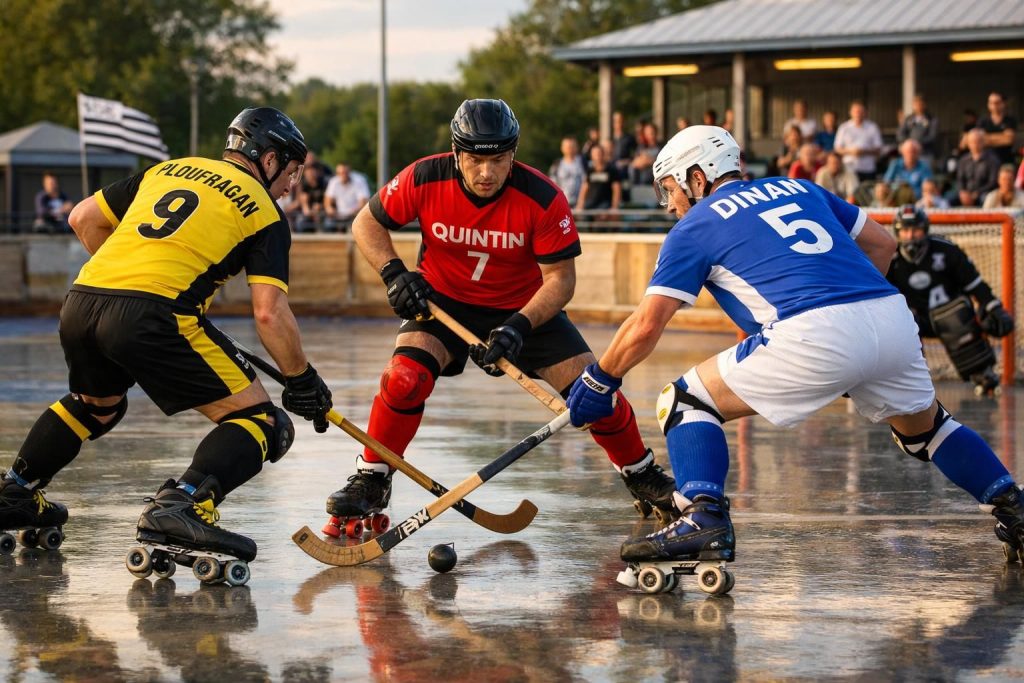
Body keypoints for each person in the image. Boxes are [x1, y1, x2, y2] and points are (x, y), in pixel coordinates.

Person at [566, 125, 1024, 581]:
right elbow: (883, 244)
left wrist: (601, 376)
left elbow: (647, 324)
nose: (670, 204)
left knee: (684, 401)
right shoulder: (800, 186)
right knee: (929, 429)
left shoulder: (695, 226)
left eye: (671, 189)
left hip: (813, 329)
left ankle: (703, 518)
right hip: (888, 312)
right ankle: (1014, 508)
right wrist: (857, 333)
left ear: (698, 178)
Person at [0, 107, 333, 572]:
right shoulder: (264, 211)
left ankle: (16, 491)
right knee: (263, 422)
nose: (291, 186)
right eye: (292, 173)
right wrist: (302, 379)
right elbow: (269, 312)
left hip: (82, 300)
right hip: (154, 314)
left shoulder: (168, 169)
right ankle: (182, 505)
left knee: (97, 405)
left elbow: (82, 218)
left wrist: (131, 281)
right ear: (270, 159)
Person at [324, 99, 678, 533]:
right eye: (475, 159)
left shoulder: (543, 197)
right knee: (403, 378)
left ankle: (640, 473)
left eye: (498, 159)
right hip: (443, 301)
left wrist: (518, 325)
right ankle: (373, 478)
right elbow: (366, 223)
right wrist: (394, 273)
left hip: (523, 310)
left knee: (595, 392)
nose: (487, 172)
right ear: (456, 154)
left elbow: (560, 281)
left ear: (513, 154)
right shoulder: (424, 176)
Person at [886, 204, 1014, 395]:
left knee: (959, 314)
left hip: (949, 316)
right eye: (905, 230)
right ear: (897, 232)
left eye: (916, 230)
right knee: (896, 320)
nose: (911, 236)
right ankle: (907, 379)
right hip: (912, 319)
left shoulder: (946, 250)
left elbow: (975, 284)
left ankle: (981, 372)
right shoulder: (888, 257)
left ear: (926, 230)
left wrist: (994, 307)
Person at [834, 101, 883, 180]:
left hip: (868, 169)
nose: (858, 114)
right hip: (849, 168)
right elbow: (837, 149)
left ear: (865, 112)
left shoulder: (873, 127)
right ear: (850, 112)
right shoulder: (844, 127)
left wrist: (864, 152)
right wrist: (851, 151)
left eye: (861, 111)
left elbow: (879, 149)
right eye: (856, 111)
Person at [957, 129, 1000, 207]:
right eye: (972, 141)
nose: (975, 144)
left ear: (983, 142)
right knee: (948, 200)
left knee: (986, 199)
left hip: (984, 193)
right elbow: (960, 179)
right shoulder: (963, 160)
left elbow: (993, 182)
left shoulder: (993, 160)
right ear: (968, 143)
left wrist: (976, 193)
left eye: (978, 141)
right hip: (966, 193)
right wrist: (962, 192)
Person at [324, 163, 371, 232]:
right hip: (338, 215)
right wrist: (329, 209)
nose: (343, 175)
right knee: (327, 225)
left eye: (345, 172)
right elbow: (327, 200)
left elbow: (363, 201)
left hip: (356, 215)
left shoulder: (359, 180)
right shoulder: (333, 181)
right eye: (340, 173)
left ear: (349, 172)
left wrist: (354, 211)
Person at [897, 95, 939, 165]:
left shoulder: (932, 120)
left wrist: (917, 143)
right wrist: (909, 144)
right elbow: (900, 134)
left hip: (925, 153)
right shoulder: (908, 119)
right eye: (916, 104)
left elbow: (932, 136)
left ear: (925, 105)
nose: (918, 106)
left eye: (920, 104)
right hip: (909, 154)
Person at [977, 91, 1017, 165]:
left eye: (997, 103)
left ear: (1003, 103)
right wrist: (1001, 137)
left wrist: (988, 138)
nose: (994, 105)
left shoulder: (1010, 120)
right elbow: (980, 140)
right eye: (991, 102)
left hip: (1006, 160)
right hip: (987, 162)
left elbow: (1009, 140)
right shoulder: (983, 121)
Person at [549, 137, 587, 208]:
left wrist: (581, 203)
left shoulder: (583, 163)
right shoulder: (556, 164)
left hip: (581, 205)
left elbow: (587, 183)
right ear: (562, 148)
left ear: (577, 148)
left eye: (572, 146)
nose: (570, 149)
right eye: (567, 147)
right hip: (562, 204)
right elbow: (552, 184)